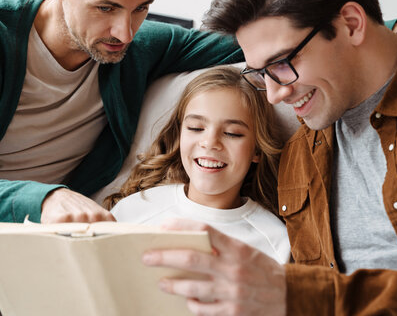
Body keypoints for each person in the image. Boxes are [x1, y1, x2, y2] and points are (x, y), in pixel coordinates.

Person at [141, 0, 397, 315]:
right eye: (260, 73)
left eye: (282, 64)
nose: (274, 96)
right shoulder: (302, 152)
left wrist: (290, 293)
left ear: (351, 24)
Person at [0, 0, 246, 314]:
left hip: (31, 269)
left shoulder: (140, 48)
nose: (125, 32)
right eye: (106, 7)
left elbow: (254, 44)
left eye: (142, 8)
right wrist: (45, 201)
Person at [105, 66, 291, 264]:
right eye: (196, 128)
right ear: (180, 135)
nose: (210, 142)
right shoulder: (135, 209)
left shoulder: (275, 242)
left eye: (232, 133)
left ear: (257, 150)